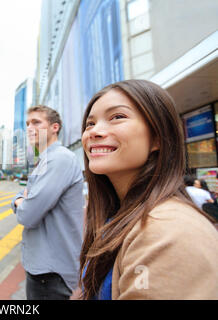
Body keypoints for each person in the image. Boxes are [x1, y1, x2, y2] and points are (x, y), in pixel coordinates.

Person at [79, 79, 218, 299]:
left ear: (158, 137)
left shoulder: (168, 230)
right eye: (90, 123)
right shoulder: (119, 215)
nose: (94, 132)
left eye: (117, 117)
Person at [11, 105, 84, 300]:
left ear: (54, 127)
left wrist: (19, 201)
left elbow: (27, 214)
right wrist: (21, 199)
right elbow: (24, 196)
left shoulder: (59, 159)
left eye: (36, 122)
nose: (29, 127)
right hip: (44, 271)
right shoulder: (44, 161)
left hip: (51, 274)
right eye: (27, 123)